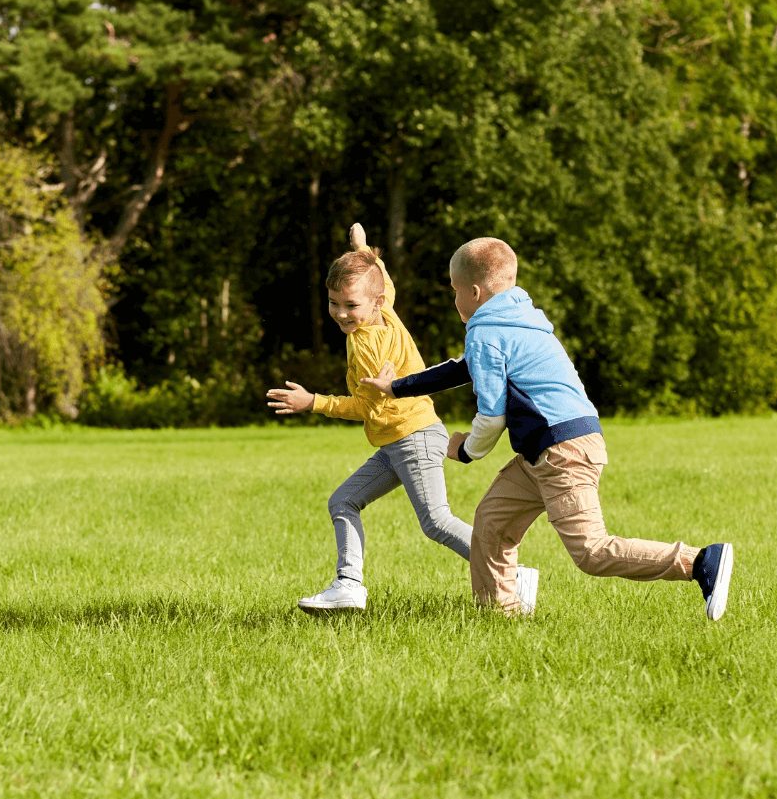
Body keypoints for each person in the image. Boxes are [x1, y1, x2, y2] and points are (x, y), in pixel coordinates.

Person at [361, 236, 735, 619]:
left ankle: (700, 561)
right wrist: (397, 387)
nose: (455, 300)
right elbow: (463, 367)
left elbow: (492, 414)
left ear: (473, 292)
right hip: (548, 449)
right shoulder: (518, 319)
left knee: (590, 551)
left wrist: (466, 450)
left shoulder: (487, 332)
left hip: (562, 450)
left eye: (455, 291)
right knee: (492, 524)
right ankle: (500, 616)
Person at [267, 225, 538, 614]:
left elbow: (366, 407)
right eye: (334, 303)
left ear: (373, 303)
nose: (342, 313)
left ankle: (513, 575)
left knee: (436, 521)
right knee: (344, 500)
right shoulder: (385, 311)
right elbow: (385, 281)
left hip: (413, 436)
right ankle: (349, 584)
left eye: (350, 305)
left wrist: (314, 402)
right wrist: (363, 251)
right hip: (398, 440)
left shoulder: (367, 346)